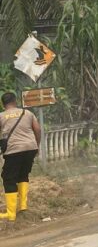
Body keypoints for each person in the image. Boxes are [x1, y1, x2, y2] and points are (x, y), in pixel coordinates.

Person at [0, 92, 41, 221]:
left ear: (3, 104)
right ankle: (23, 206)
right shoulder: (27, 113)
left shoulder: (1, 116)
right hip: (30, 148)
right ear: (15, 101)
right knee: (23, 174)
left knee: (8, 178)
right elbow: (37, 129)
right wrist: (36, 144)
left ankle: (11, 213)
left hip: (13, 151)